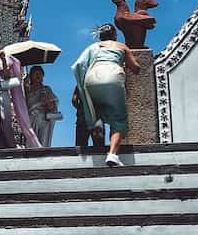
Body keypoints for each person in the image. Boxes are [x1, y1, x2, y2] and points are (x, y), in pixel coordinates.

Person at [71, 23, 141, 168]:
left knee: (96, 112)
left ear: (100, 37)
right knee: (118, 120)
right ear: (115, 35)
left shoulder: (92, 48)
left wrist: (82, 86)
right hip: (112, 77)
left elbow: (78, 65)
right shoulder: (121, 46)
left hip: (92, 78)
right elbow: (136, 68)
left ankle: (97, 132)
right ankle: (112, 154)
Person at [0, 34, 41, 150]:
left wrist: (3, 60)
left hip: (1, 91)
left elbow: (8, 75)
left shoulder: (6, 58)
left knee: (3, 119)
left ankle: (4, 147)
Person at [23, 65, 61, 147]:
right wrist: (24, 84)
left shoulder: (46, 89)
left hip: (43, 119)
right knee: (31, 143)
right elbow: (22, 104)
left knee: (43, 143)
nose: (38, 75)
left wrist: (47, 101)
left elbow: (53, 106)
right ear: (31, 76)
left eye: (40, 73)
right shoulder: (27, 90)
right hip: (31, 119)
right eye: (35, 73)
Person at [72, 87, 105, 153]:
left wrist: (81, 109)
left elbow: (74, 100)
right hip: (97, 118)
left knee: (80, 148)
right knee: (99, 148)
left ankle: (80, 159)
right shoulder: (100, 84)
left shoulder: (80, 84)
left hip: (82, 118)